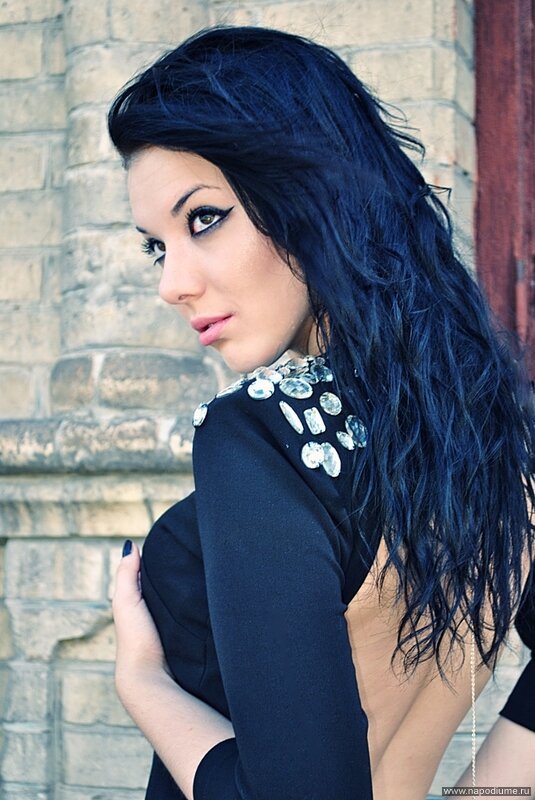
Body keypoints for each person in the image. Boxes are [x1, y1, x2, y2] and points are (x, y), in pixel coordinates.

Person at [107, 25, 535, 800]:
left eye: (203, 218)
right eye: (156, 247)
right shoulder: (493, 424)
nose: (171, 283)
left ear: (312, 189)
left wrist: (143, 685)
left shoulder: (256, 437)